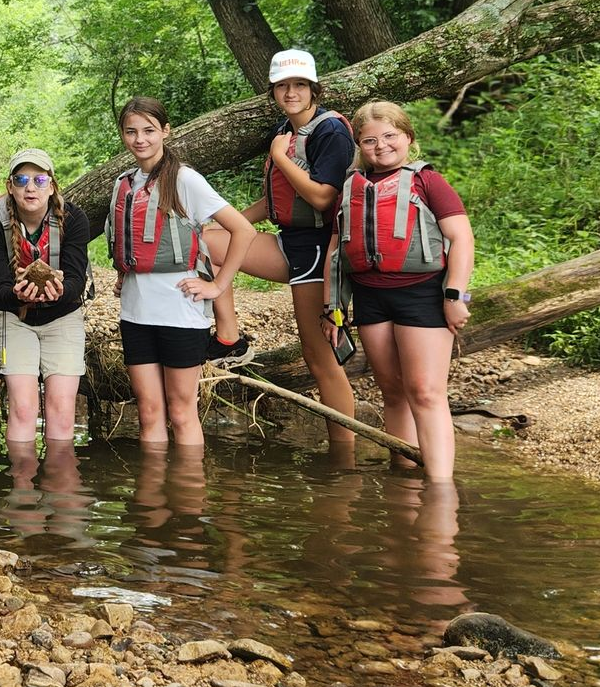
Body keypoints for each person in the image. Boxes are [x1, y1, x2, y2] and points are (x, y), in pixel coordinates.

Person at [201, 49, 360, 446]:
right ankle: (229, 341)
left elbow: (324, 198)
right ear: (273, 90)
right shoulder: (284, 131)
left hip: (320, 251)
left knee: (318, 355)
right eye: (283, 86)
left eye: (300, 85)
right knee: (203, 241)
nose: (291, 92)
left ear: (314, 89)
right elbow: (275, 203)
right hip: (289, 241)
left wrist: (278, 157)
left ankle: (344, 454)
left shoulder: (331, 132)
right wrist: (227, 221)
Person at [333, 101, 474, 480]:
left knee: (426, 393)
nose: (381, 146)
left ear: (408, 138)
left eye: (390, 136)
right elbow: (338, 251)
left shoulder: (429, 181)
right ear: (359, 146)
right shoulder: (351, 187)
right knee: (393, 393)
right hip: (370, 299)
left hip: (422, 295)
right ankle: (404, 481)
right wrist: (334, 308)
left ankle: (440, 488)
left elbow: (462, 239)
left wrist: (455, 296)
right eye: (369, 140)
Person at [108, 96, 258, 446]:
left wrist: (218, 286)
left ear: (165, 131)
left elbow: (243, 230)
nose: (140, 139)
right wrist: (122, 275)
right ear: (122, 135)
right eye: (131, 132)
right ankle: (154, 497)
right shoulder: (123, 183)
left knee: (180, 411)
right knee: (148, 411)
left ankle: (188, 497)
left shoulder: (185, 180)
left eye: (148, 130)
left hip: (180, 313)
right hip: (135, 313)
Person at [0, 148, 91, 445]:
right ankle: (23, 489)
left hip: (63, 316)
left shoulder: (74, 219)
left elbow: (76, 282)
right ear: (10, 187)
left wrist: (60, 291)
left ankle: (59, 486)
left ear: (52, 186)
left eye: (40, 179)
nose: (30, 187)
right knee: (24, 410)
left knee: (63, 411)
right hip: (15, 317)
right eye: (22, 179)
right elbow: (1, 291)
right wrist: (18, 296)